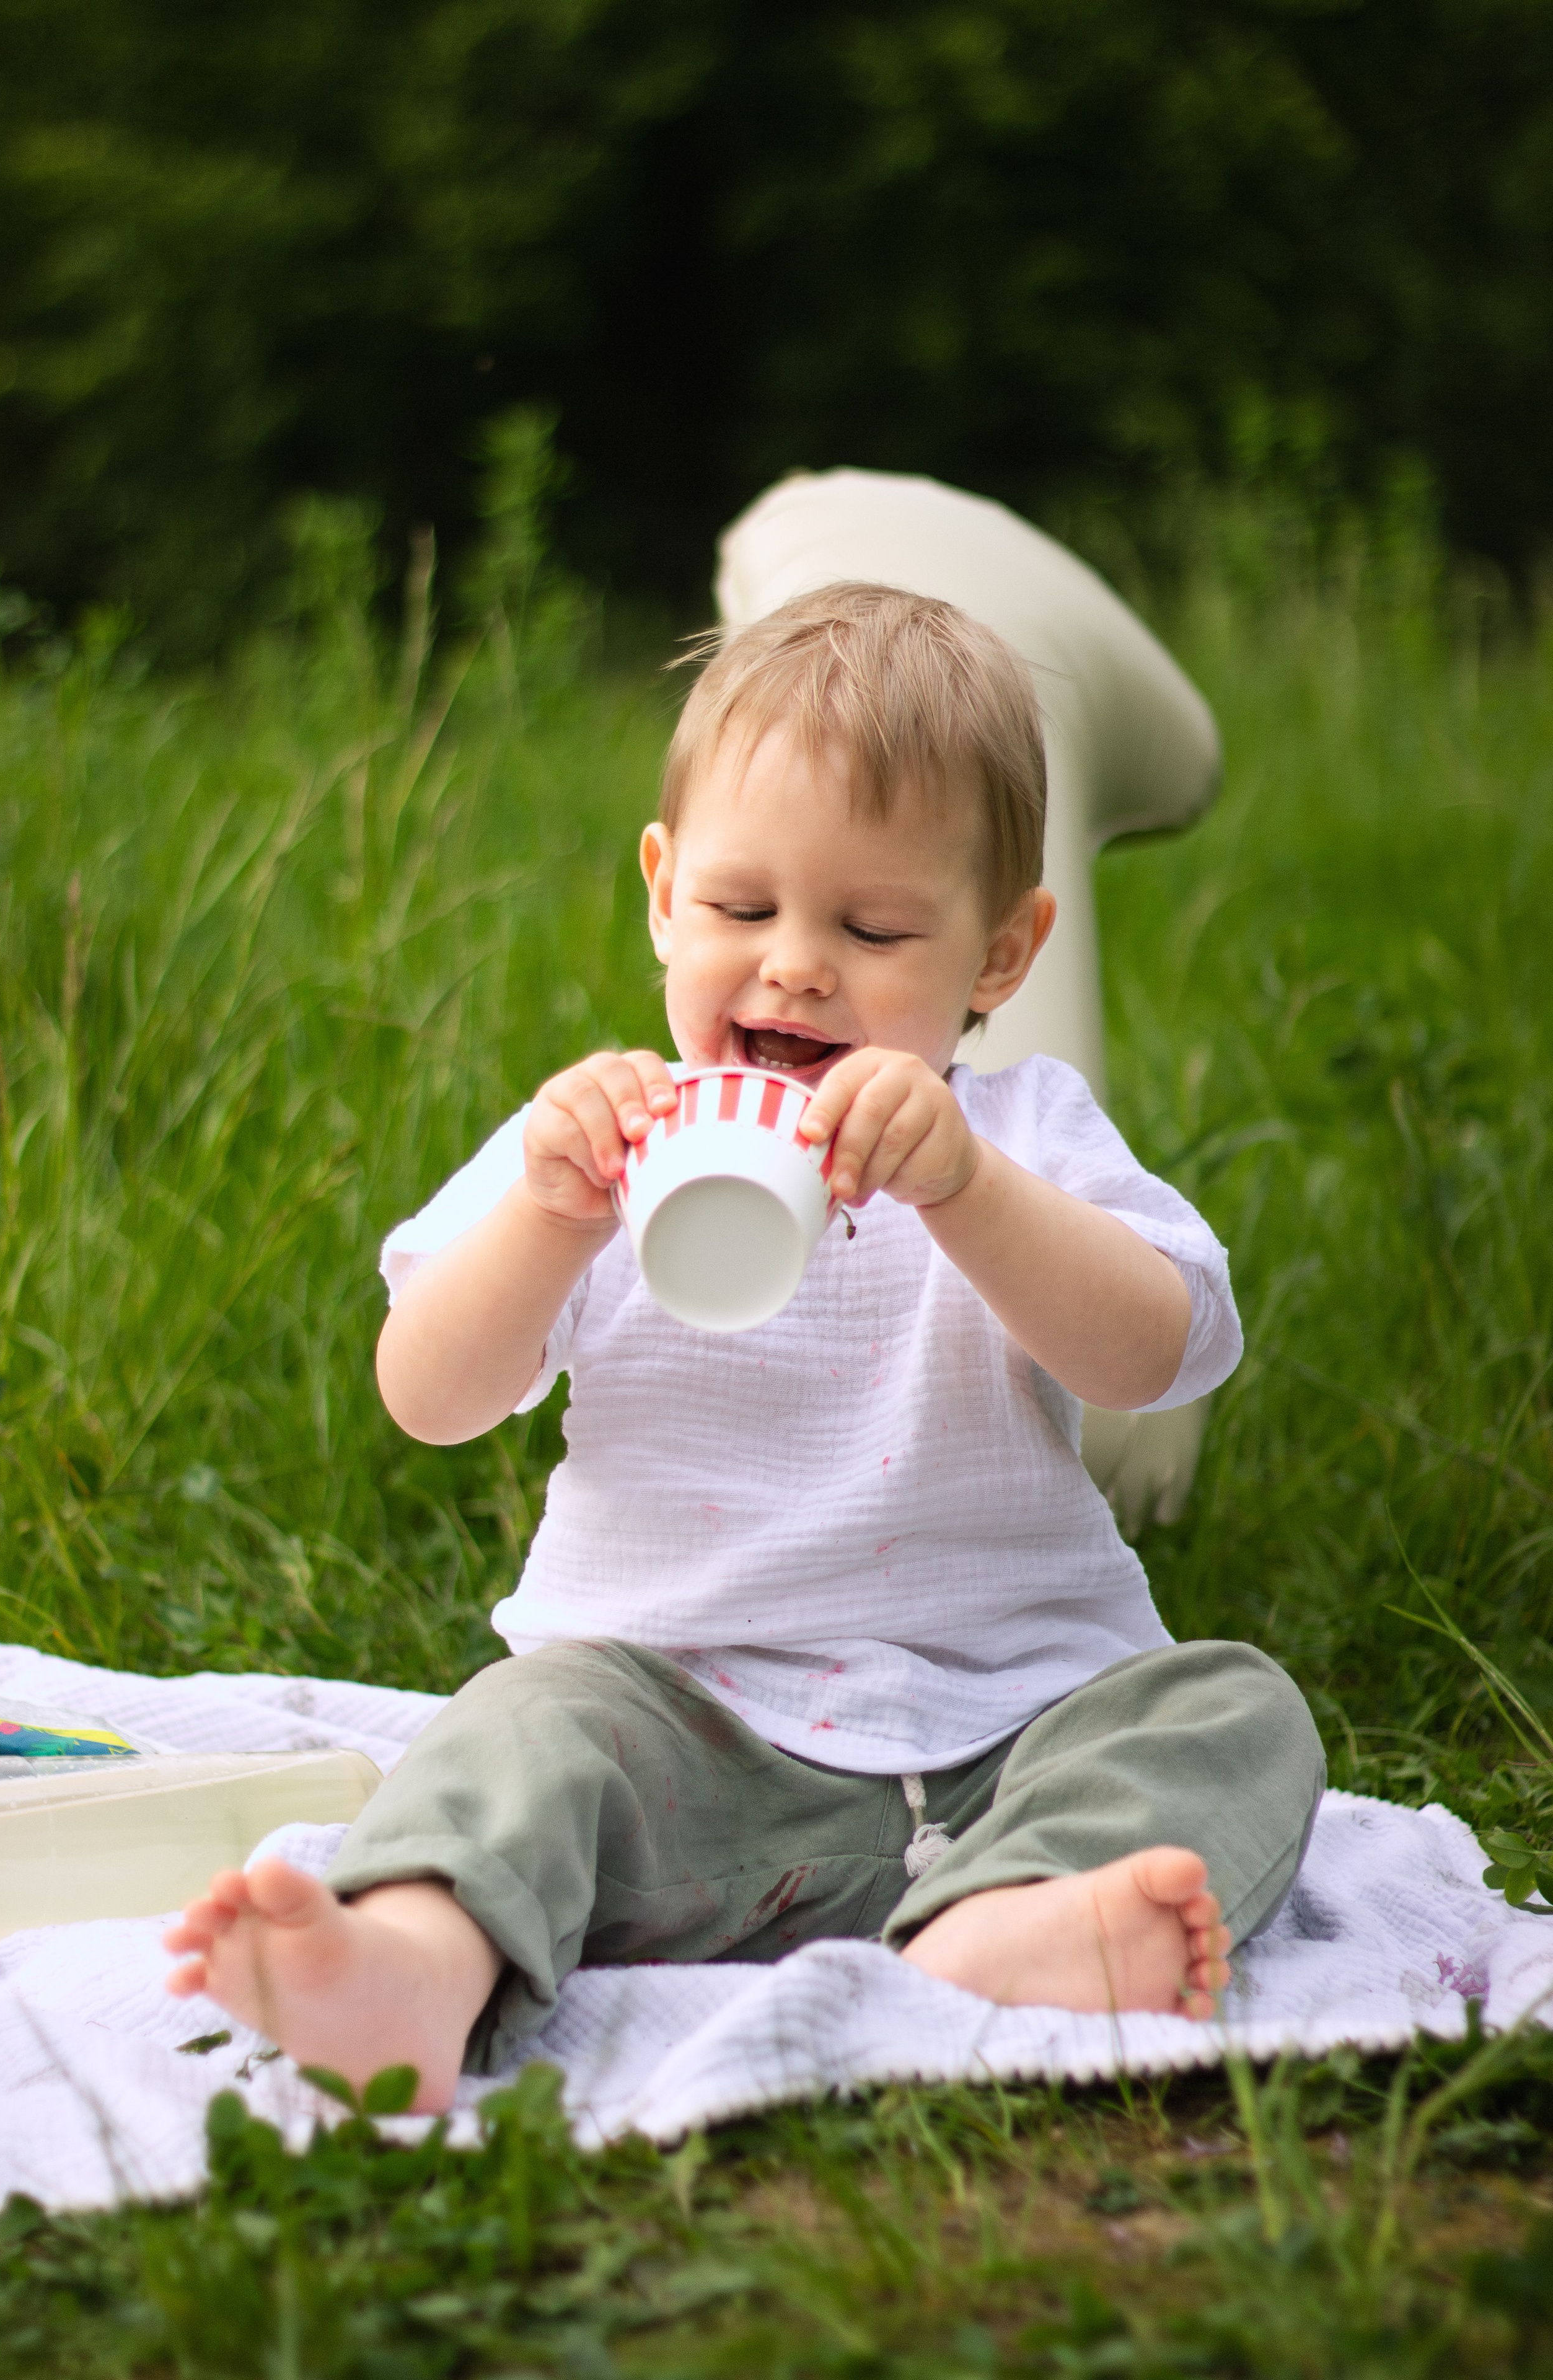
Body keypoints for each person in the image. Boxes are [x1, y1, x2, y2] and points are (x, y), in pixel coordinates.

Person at [165, 583, 1324, 2112]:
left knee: (1231, 1707)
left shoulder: (1017, 1133)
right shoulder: (588, 1144)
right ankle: (409, 1966)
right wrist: (550, 1218)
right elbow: (427, 1399)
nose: (793, 966)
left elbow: (1158, 1352)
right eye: (739, 909)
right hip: (679, 1736)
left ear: (998, 952)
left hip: (1004, 1733)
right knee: (519, 1729)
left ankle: (1000, 1932)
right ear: (660, 893)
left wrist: (967, 1192)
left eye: (872, 926)